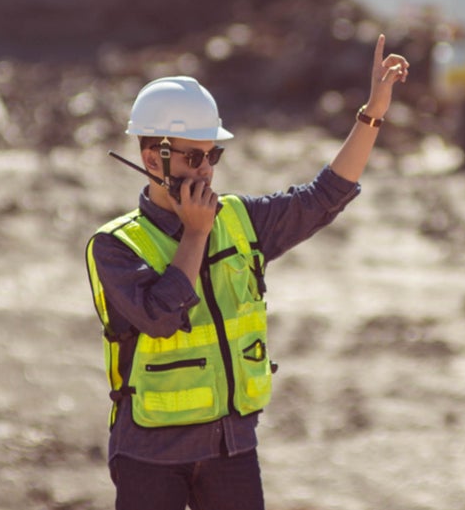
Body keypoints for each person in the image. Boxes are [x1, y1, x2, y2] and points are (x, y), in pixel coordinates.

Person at [84, 35, 409, 510]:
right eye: (194, 157)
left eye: (212, 156)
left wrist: (372, 113)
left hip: (229, 449)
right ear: (153, 159)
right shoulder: (114, 246)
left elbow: (322, 198)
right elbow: (159, 318)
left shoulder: (239, 220)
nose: (206, 171)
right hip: (149, 455)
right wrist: (194, 235)